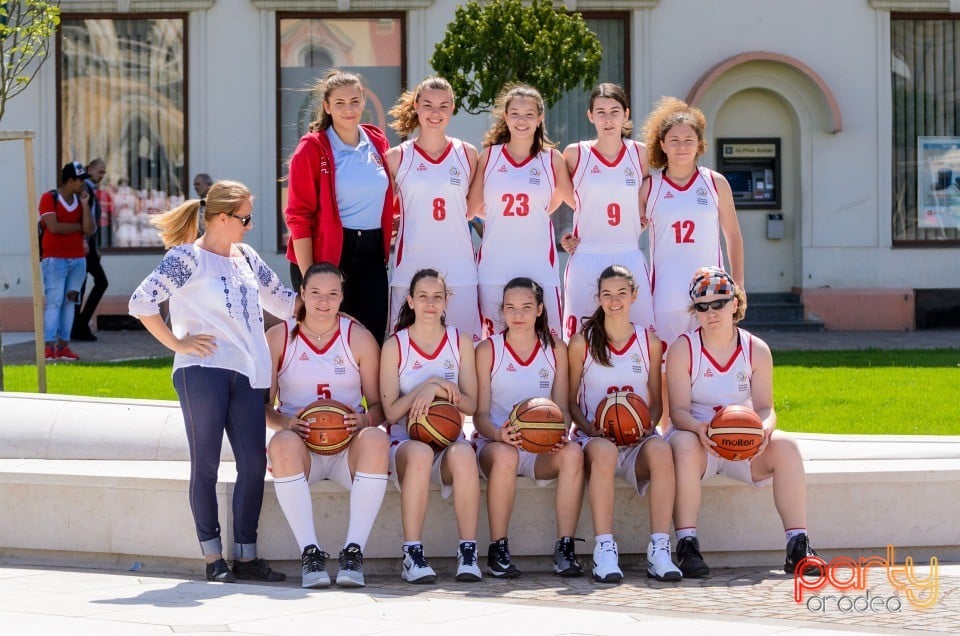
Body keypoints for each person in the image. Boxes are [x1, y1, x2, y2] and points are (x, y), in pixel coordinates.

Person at [129, 180, 295, 584]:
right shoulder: (187, 258)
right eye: (245, 218)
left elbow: (286, 303)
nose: (250, 226)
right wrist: (177, 342)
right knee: (205, 463)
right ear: (222, 218)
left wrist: (330, 298)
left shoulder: (247, 257)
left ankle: (246, 557)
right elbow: (141, 301)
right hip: (201, 372)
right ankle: (212, 557)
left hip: (247, 372)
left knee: (255, 463)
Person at [665, 266, 818, 578]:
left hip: (742, 444)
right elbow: (677, 411)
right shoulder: (683, 348)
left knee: (787, 446)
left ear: (735, 303)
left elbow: (765, 408)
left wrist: (763, 431)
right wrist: (698, 429)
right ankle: (687, 544)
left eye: (719, 303)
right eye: (702, 306)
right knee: (680, 443)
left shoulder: (755, 349)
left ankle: (798, 545)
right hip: (700, 442)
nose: (711, 313)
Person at [265, 262, 389, 589]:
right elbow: (262, 406)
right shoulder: (279, 337)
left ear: (342, 297)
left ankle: (353, 552)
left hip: (347, 449)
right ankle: (311, 552)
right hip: (302, 448)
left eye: (333, 294)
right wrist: (285, 421)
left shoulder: (359, 339)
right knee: (280, 443)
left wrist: (364, 420)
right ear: (302, 294)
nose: (324, 301)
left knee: (376, 439)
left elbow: (380, 408)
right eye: (316, 293)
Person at [567, 265, 682, 583]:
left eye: (621, 293)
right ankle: (604, 549)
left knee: (660, 450)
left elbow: (657, 401)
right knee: (603, 451)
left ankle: (660, 548)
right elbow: (571, 401)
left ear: (634, 295)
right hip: (596, 438)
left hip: (637, 440)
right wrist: (590, 430)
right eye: (607, 294)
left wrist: (649, 425)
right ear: (598, 298)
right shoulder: (582, 342)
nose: (614, 300)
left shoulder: (650, 341)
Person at [473, 277, 585, 578]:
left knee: (573, 454)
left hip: (539, 448)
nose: (517, 315)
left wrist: (558, 434)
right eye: (510, 308)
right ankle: (498, 548)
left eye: (525, 307)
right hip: (496, 445)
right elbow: (479, 414)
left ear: (539, 309)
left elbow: (562, 408)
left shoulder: (556, 349)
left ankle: (565, 547)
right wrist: (499, 434)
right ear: (502, 312)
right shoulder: (488, 350)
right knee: (507, 456)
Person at [380, 268, 482, 584]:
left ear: (446, 301)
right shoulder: (395, 345)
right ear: (410, 300)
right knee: (422, 454)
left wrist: (436, 385)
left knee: (465, 455)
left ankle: (468, 551)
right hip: (407, 443)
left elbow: (471, 405)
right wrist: (424, 388)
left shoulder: (460, 341)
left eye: (437, 297)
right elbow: (391, 412)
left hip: (449, 440)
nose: (430, 304)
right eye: (422, 297)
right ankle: (412, 552)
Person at [285, 69, 398, 344]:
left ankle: (372, 391)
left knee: (372, 341)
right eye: (339, 103)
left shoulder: (377, 140)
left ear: (363, 101)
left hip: (372, 255)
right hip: (330, 254)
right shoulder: (312, 148)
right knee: (329, 340)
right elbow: (298, 217)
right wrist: (310, 278)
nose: (348, 109)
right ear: (327, 106)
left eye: (354, 101)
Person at [467, 84, 573, 338]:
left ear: (540, 118)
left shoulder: (552, 159)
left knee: (549, 339)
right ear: (505, 117)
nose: (521, 120)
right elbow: (472, 209)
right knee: (490, 343)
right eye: (515, 113)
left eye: (529, 114)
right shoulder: (489, 157)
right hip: (495, 264)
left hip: (539, 263)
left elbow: (575, 201)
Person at [640, 97, 744, 348]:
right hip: (665, 296)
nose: (681, 147)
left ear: (699, 144)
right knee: (665, 371)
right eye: (674, 141)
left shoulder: (715, 183)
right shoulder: (649, 187)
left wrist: (739, 285)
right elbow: (623, 231)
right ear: (662, 144)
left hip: (711, 295)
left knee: (709, 367)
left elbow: (733, 236)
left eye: (689, 141)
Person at [386, 77, 481, 341]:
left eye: (443, 106)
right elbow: (383, 211)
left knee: (465, 350)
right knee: (406, 350)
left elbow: (474, 209)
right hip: (410, 270)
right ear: (416, 106)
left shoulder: (467, 153)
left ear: (452, 108)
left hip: (460, 269)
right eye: (428, 105)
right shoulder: (397, 157)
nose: (435, 113)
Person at [559, 83, 654, 341]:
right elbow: (559, 197)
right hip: (587, 254)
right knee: (579, 339)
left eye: (614, 111)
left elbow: (644, 197)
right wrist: (566, 233)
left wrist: (641, 218)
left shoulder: (639, 153)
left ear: (626, 114)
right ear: (590, 115)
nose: (608, 118)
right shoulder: (575, 154)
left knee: (640, 335)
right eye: (600, 112)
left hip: (628, 254)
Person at [39, 161, 94, 361]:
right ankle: (48, 347)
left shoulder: (82, 200)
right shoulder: (49, 198)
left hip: (78, 260)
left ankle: (63, 346)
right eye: (80, 181)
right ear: (70, 180)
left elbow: (90, 229)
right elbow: (53, 227)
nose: (83, 185)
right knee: (54, 303)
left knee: (70, 302)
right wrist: (78, 226)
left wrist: (86, 206)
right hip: (54, 259)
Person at [73, 158, 109, 342]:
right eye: (100, 172)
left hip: (89, 246)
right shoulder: (85, 189)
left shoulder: (90, 190)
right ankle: (79, 325)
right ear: (90, 169)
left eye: (103, 173)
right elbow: (83, 219)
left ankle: (78, 325)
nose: (102, 176)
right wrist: (86, 243)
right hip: (84, 247)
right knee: (100, 282)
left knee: (82, 285)